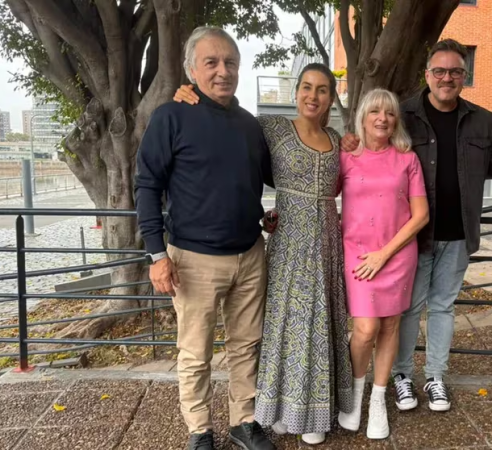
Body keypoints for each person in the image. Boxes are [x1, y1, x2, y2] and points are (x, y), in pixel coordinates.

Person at [172, 63, 353, 446]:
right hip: (287, 241)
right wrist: (187, 95)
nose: (313, 95)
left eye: (322, 89)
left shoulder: (338, 139)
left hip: (325, 241)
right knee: (287, 323)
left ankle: (316, 410)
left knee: (320, 321)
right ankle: (282, 410)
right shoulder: (270, 127)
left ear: (331, 97)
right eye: (306, 86)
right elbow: (226, 118)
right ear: (295, 91)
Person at [341, 39, 492, 413]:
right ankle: (401, 375)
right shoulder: (405, 114)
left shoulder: (481, 119)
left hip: (459, 232)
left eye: (456, 71)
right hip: (413, 238)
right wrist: (349, 141)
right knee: (408, 310)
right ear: (427, 74)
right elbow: (374, 148)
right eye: (440, 71)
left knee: (444, 307)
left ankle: (435, 377)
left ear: (465, 76)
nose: (448, 78)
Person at [135, 27, 276, 450]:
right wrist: (157, 254)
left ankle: (243, 420)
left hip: (250, 253)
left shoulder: (250, 125)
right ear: (191, 69)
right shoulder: (172, 116)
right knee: (195, 354)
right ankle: (199, 429)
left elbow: (266, 177)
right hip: (192, 259)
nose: (222, 71)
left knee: (246, 345)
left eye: (230, 62)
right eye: (211, 62)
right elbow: (146, 185)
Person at [336, 89, 429, 439]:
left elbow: (420, 215)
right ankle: (354, 396)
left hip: (396, 254)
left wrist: (384, 254)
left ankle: (377, 400)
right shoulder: (346, 156)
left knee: (390, 327)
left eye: (389, 113)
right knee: (364, 330)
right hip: (358, 256)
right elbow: (320, 192)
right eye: (375, 111)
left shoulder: (407, 159)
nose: (383, 119)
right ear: (362, 116)